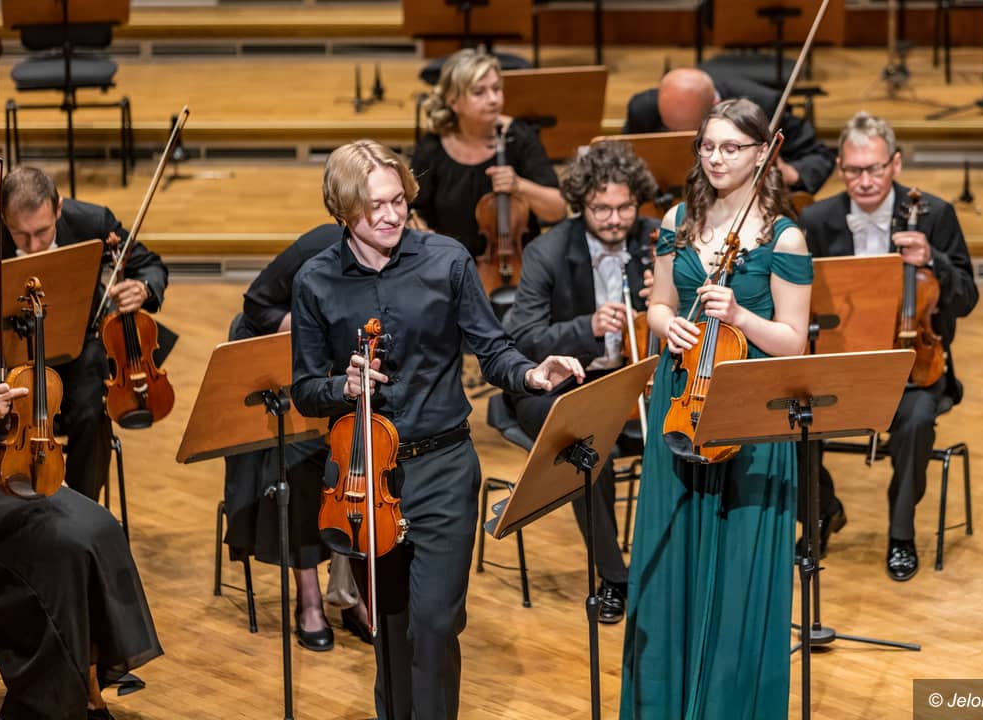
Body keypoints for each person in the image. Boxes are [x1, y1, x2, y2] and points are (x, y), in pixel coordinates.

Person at [289, 139, 583, 720]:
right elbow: (304, 388)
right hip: (366, 477)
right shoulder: (315, 281)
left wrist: (531, 373)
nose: (391, 215)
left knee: (435, 623)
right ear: (343, 209)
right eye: (375, 206)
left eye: (398, 200)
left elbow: (492, 349)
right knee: (390, 624)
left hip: (444, 468)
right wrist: (343, 387)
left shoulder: (446, 260)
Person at [620, 97, 812, 719]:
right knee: (671, 558)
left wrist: (741, 316)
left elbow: (794, 341)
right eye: (708, 146)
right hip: (681, 400)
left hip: (749, 411)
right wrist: (667, 325)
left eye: (732, 147)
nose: (717, 158)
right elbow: (658, 303)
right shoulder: (678, 220)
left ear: (762, 153)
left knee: (739, 567)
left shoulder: (785, 237)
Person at [799, 111, 979, 581]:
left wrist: (934, 260)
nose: (865, 181)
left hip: (914, 368)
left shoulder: (936, 215)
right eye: (854, 170)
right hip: (840, 365)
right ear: (840, 168)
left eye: (875, 169)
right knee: (787, 416)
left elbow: (966, 299)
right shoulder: (816, 220)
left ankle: (901, 533)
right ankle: (823, 509)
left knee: (916, 422)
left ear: (895, 164)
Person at [505, 140, 660, 623]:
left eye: (624, 208)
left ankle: (670, 565)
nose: (614, 220)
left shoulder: (655, 241)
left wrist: (667, 298)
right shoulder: (548, 251)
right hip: (560, 385)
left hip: (636, 381)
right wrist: (586, 328)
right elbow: (522, 338)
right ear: (580, 204)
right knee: (590, 452)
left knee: (687, 436)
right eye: (601, 209)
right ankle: (614, 577)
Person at [224, 223, 369, 652]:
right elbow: (256, 306)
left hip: (359, 388)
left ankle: (354, 591)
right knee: (302, 457)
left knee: (373, 457)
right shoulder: (318, 246)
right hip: (302, 380)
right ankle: (308, 598)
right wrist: (308, 329)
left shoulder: (407, 260)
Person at [0, 166, 170, 501]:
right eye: (20, 235)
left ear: (58, 208)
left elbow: (150, 265)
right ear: (4, 218)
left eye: (42, 232)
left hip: (77, 349)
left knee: (92, 411)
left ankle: (82, 508)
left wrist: (143, 288)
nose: (33, 245)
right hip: (9, 355)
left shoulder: (92, 223)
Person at [0, 383, 163, 720]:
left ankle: (88, 689)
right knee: (63, 546)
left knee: (100, 526)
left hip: (5, 466)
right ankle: (46, 704)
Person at [410, 48, 566, 257]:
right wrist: (421, 231)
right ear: (454, 102)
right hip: (449, 263)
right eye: (479, 92)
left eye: (496, 88)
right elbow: (415, 210)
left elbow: (558, 209)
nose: (493, 99)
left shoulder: (519, 137)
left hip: (515, 265)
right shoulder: (432, 147)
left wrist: (520, 186)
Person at [623, 67, 834, 195]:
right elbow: (624, 166)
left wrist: (791, 174)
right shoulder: (643, 109)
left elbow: (820, 156)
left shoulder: (764, 106)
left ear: (715, 105)